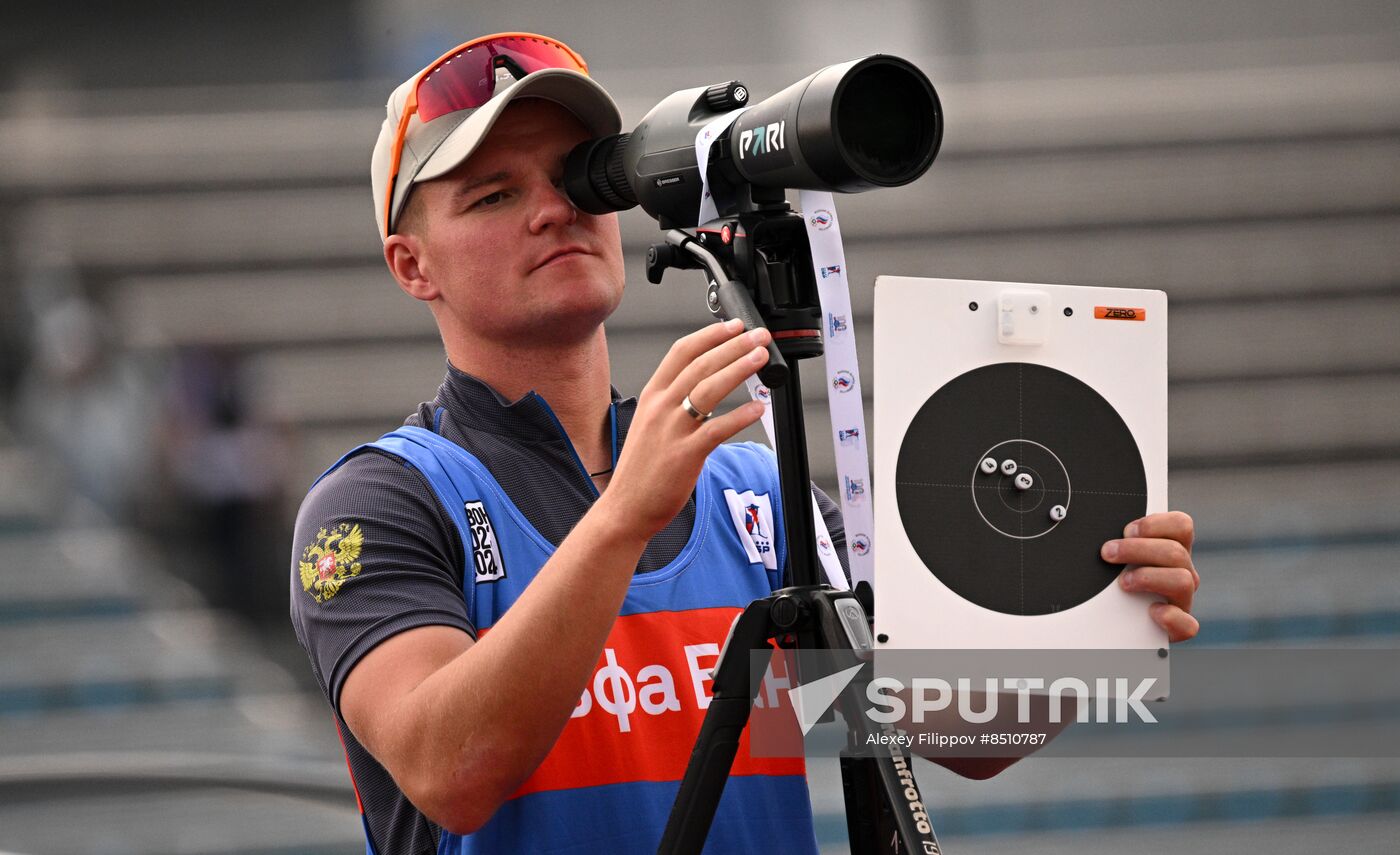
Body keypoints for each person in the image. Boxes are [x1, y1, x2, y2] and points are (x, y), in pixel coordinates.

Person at [289, 32, 1201, 855]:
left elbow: (950, 735)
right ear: (413, 265)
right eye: (493, 194)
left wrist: (1092, 620)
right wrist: (621, 519)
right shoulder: (378, 503)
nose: (552, 211)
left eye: (577, 180)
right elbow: (454, 772)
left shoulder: (753, 488)